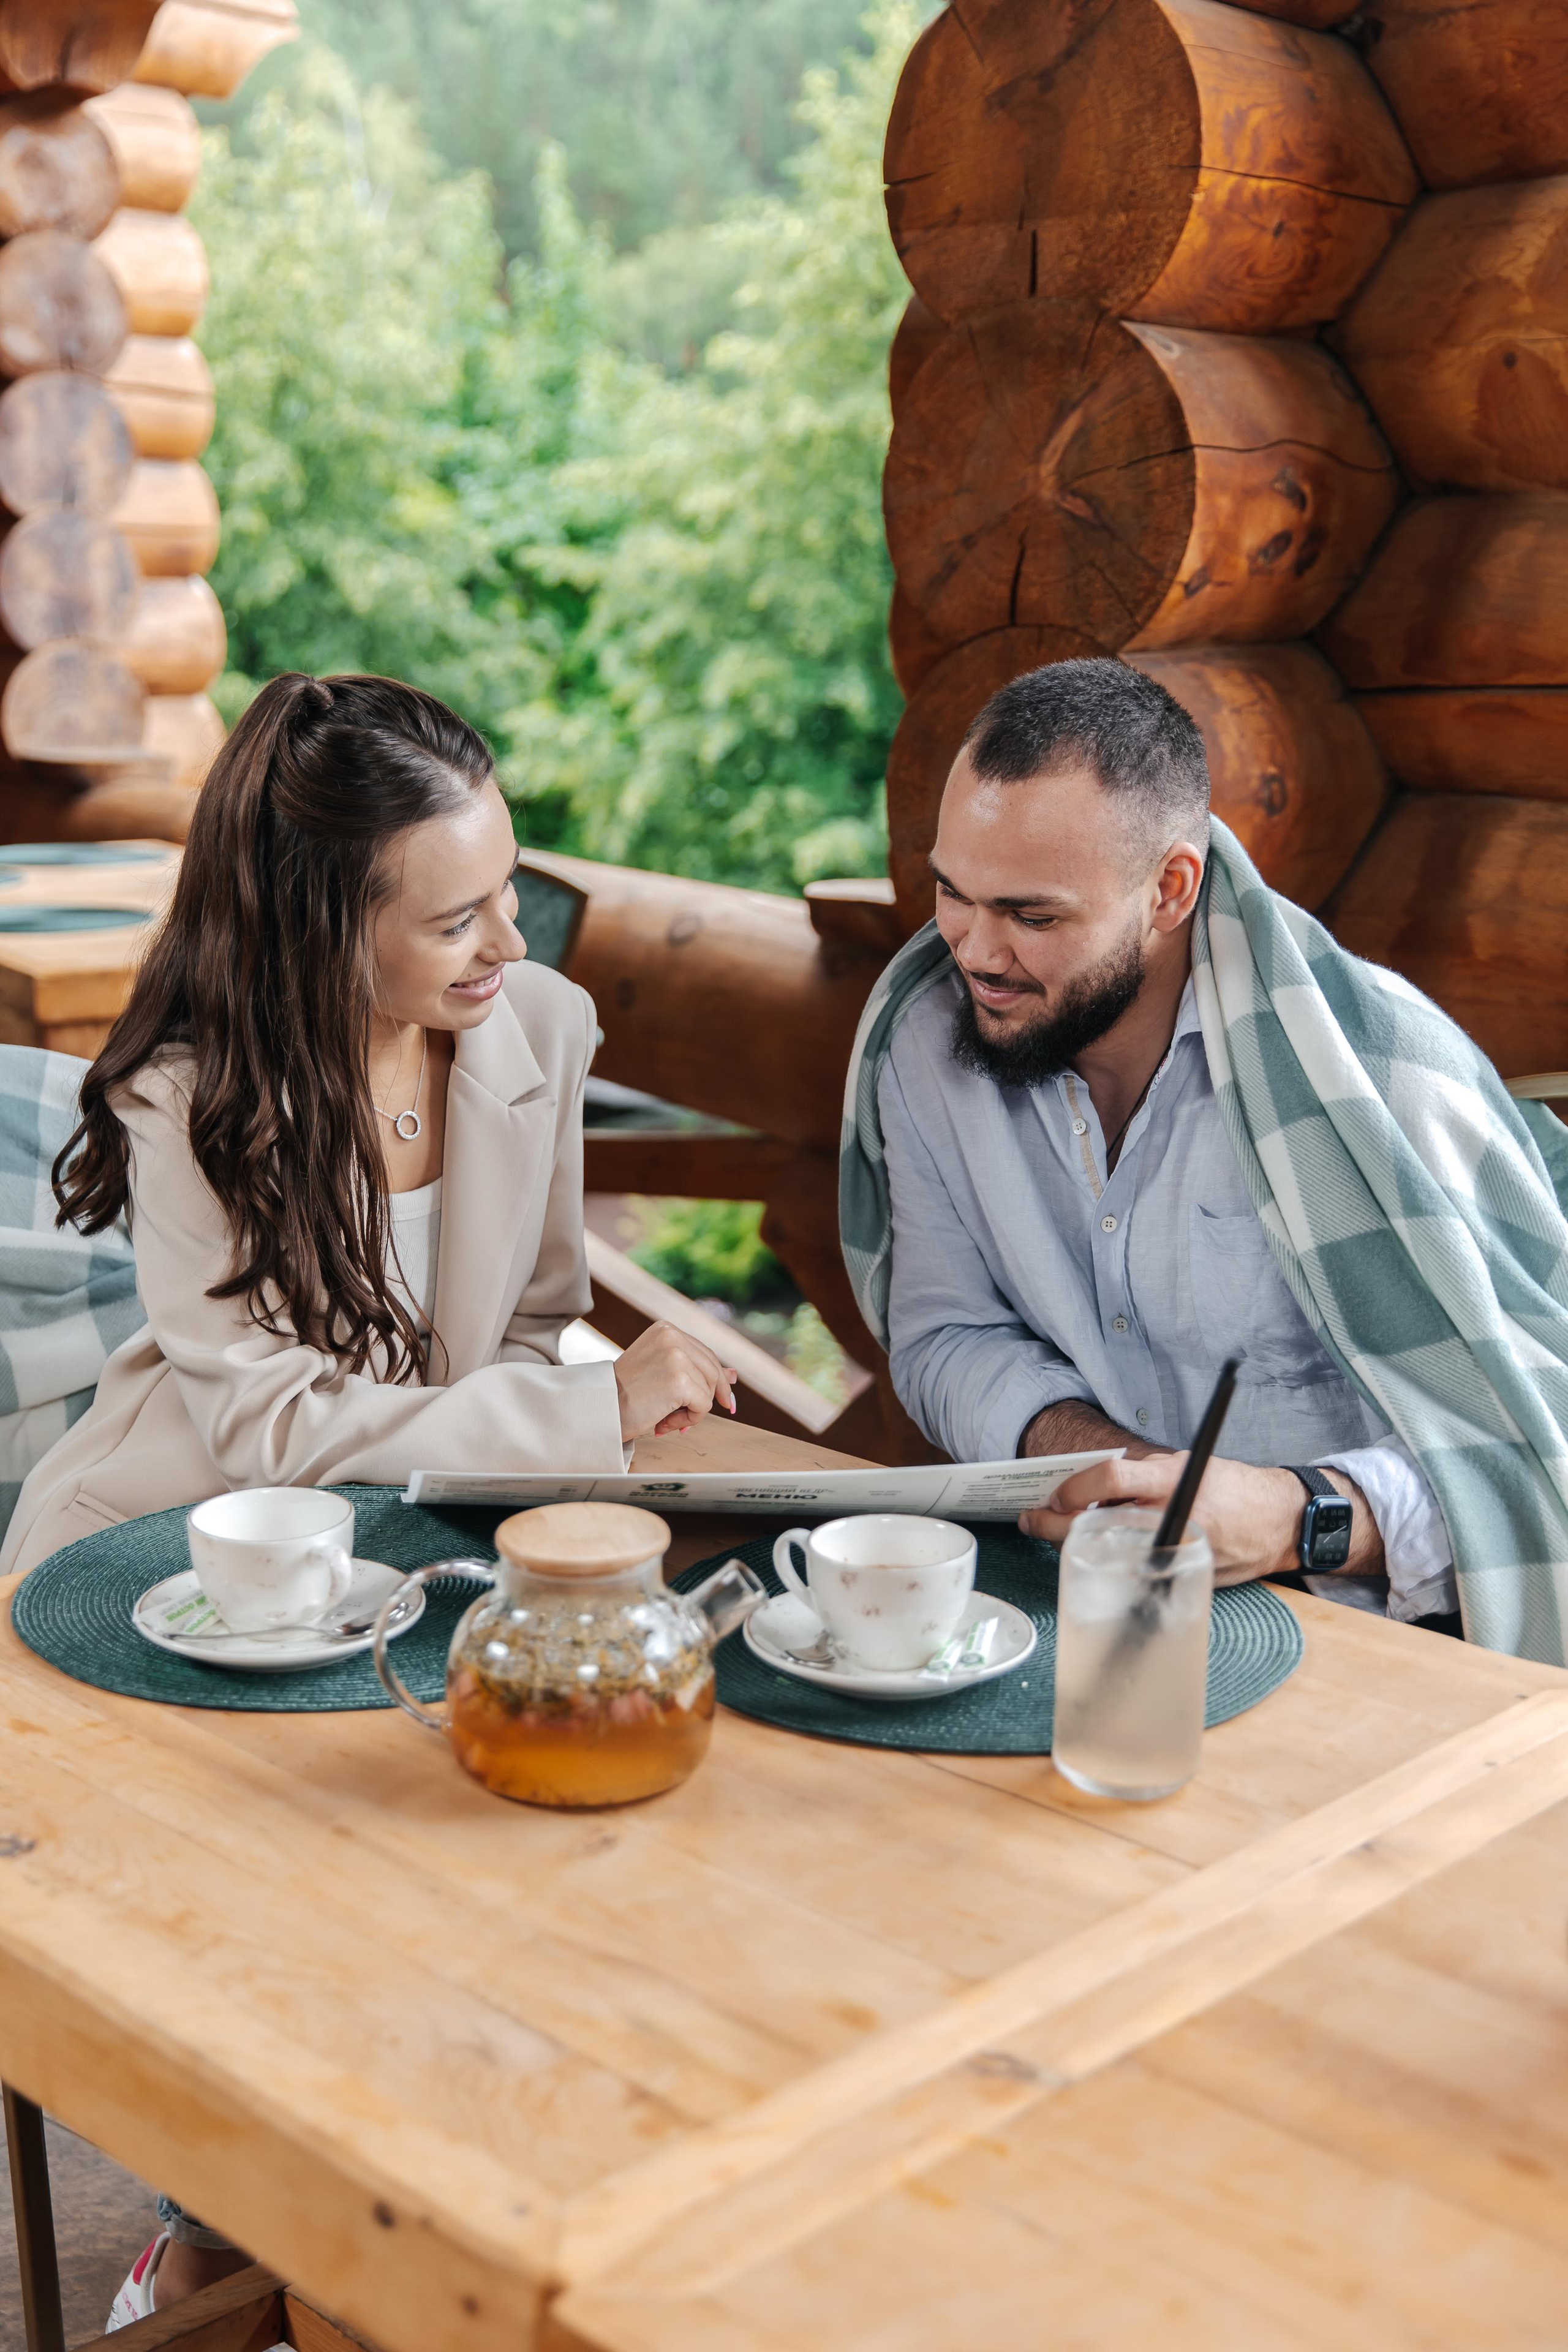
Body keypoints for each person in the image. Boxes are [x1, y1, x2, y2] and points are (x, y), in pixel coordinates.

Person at [0, 672, 740, 2320]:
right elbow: (269, 1426)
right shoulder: (189, 1098)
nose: (508, 948)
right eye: (458, 918)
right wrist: (585, 1412)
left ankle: (426, 2237)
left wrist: (594, 1394)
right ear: (326, 925)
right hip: (178, 1564)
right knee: (292, 1899)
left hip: (405, 1542)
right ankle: (209, 2245)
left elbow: (535, 1316)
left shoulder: (535, 1031)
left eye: (514, 893)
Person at [840, 657, 1568, 1659]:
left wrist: (1288, 1516)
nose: (973, 950)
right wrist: (1122, 1472)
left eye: (1033, 916)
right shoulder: (923, 1042)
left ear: (1171, 889)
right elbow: (944, 1332)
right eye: (953, 893)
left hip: (1377, 1651)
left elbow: (1544, 1448)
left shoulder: (1382, 1076)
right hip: (1074, 1611)